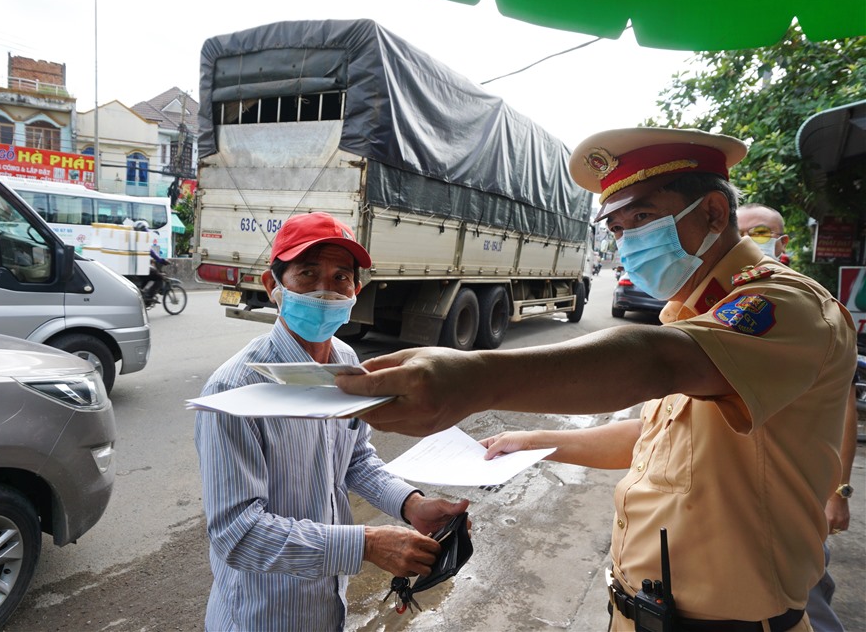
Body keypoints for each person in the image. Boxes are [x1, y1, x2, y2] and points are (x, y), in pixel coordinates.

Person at [337, 127, 857, 631]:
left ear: (715, 212)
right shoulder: (689, 311)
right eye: (618, 228)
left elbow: (656, 360)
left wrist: (478, 379)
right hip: (639, 612)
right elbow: (658, 439)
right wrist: (537, 440)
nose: (628, 240)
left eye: (644, 217)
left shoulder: (783, 305)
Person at [194, 211, 468, 631]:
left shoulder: (345, 361)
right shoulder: (233, 389)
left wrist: (411, 505)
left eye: (341, 277)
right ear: (274, 287)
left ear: (356, 290)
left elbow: (355, 457)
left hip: (326, 607)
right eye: (307, 274)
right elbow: (238, 533)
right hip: (262, 616)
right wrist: (366, 545)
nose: (326, 292)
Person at [737, 203, 858, 632]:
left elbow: (845, 411)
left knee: (806, 606)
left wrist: (838, 492)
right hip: (745, 511)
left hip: (794, 510)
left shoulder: (809, 307)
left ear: (783, 243)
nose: (753, 241)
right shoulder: (729, 305)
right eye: (743, 233)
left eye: (762, 232)